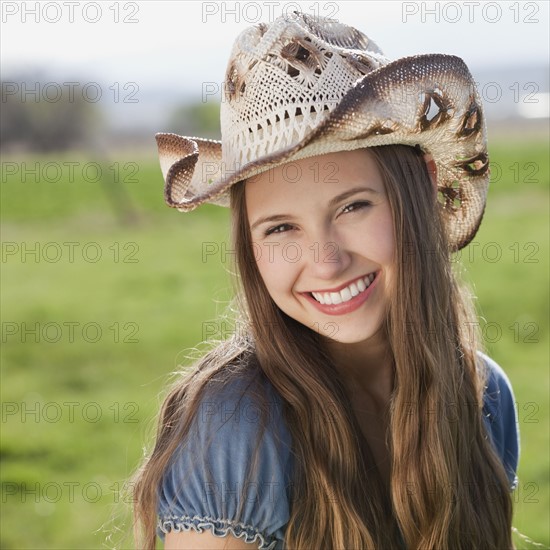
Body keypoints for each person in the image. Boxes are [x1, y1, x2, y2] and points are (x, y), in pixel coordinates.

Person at [133, 12, 519, 549]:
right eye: (281, 227)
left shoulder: (483, 396)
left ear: (424, 190)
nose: (326, 261)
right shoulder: (237, 423)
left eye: (353, 206)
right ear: (248, 241)